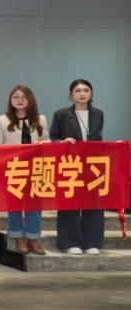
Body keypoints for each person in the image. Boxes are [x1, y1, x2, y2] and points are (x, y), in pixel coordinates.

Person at [49, 79, 106, 255]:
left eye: (86, 90)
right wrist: (63, 142)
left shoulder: (98, 114)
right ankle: (70, 242)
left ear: (91, 93)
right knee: (69, 202)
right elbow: (53, 137)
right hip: (70, 164)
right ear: (71, 94)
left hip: (92, 165)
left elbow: (98, 139)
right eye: (78, 90)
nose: (82, 94)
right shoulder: (61, 114)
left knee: (94, 202)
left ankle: (92, 242)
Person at [0, 85, 50, 256]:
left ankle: (33, 238)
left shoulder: (40, 119)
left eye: (23, 97)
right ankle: (17, 237)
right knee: (14, 205)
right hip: (13, 169)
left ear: (30, 99)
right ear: (10, 100)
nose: (19, 100)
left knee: (34, 205)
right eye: (15, 97)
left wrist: (42, 144)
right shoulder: (1, 120)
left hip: (36, 168)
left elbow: (47, 139)